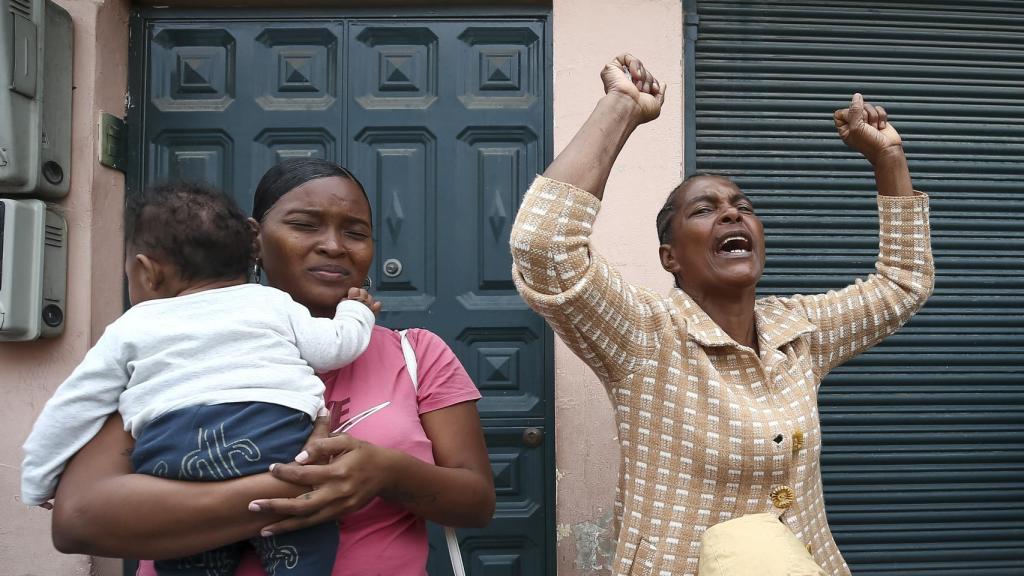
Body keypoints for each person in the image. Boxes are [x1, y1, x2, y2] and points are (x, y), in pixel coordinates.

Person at [509, 54, 934, 576]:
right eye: (704, 209)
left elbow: (901, 285)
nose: (732, 213)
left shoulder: (798, 332)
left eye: (742, 206)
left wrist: (888, 157)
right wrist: (622, 106)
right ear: (670, 257)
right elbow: (544, 247)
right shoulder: (645, 335)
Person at [46, 159, 496, 576]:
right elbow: (79, 520)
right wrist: (293, 489)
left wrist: (387, 473)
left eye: (356, 233)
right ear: (255, 240)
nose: (334, 246)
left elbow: (475, 503)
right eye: (305, 225)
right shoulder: (166, 352)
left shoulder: (417, 355)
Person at [22, 182, 378, 575]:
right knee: (306, 545)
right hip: (279, 448)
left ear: (146, 271)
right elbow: (335, 347)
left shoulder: (133, 325)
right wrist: (354, 311)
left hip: (179, 463)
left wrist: (39, 479)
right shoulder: (271, 302)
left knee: (184, 553)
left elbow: (74, 407)